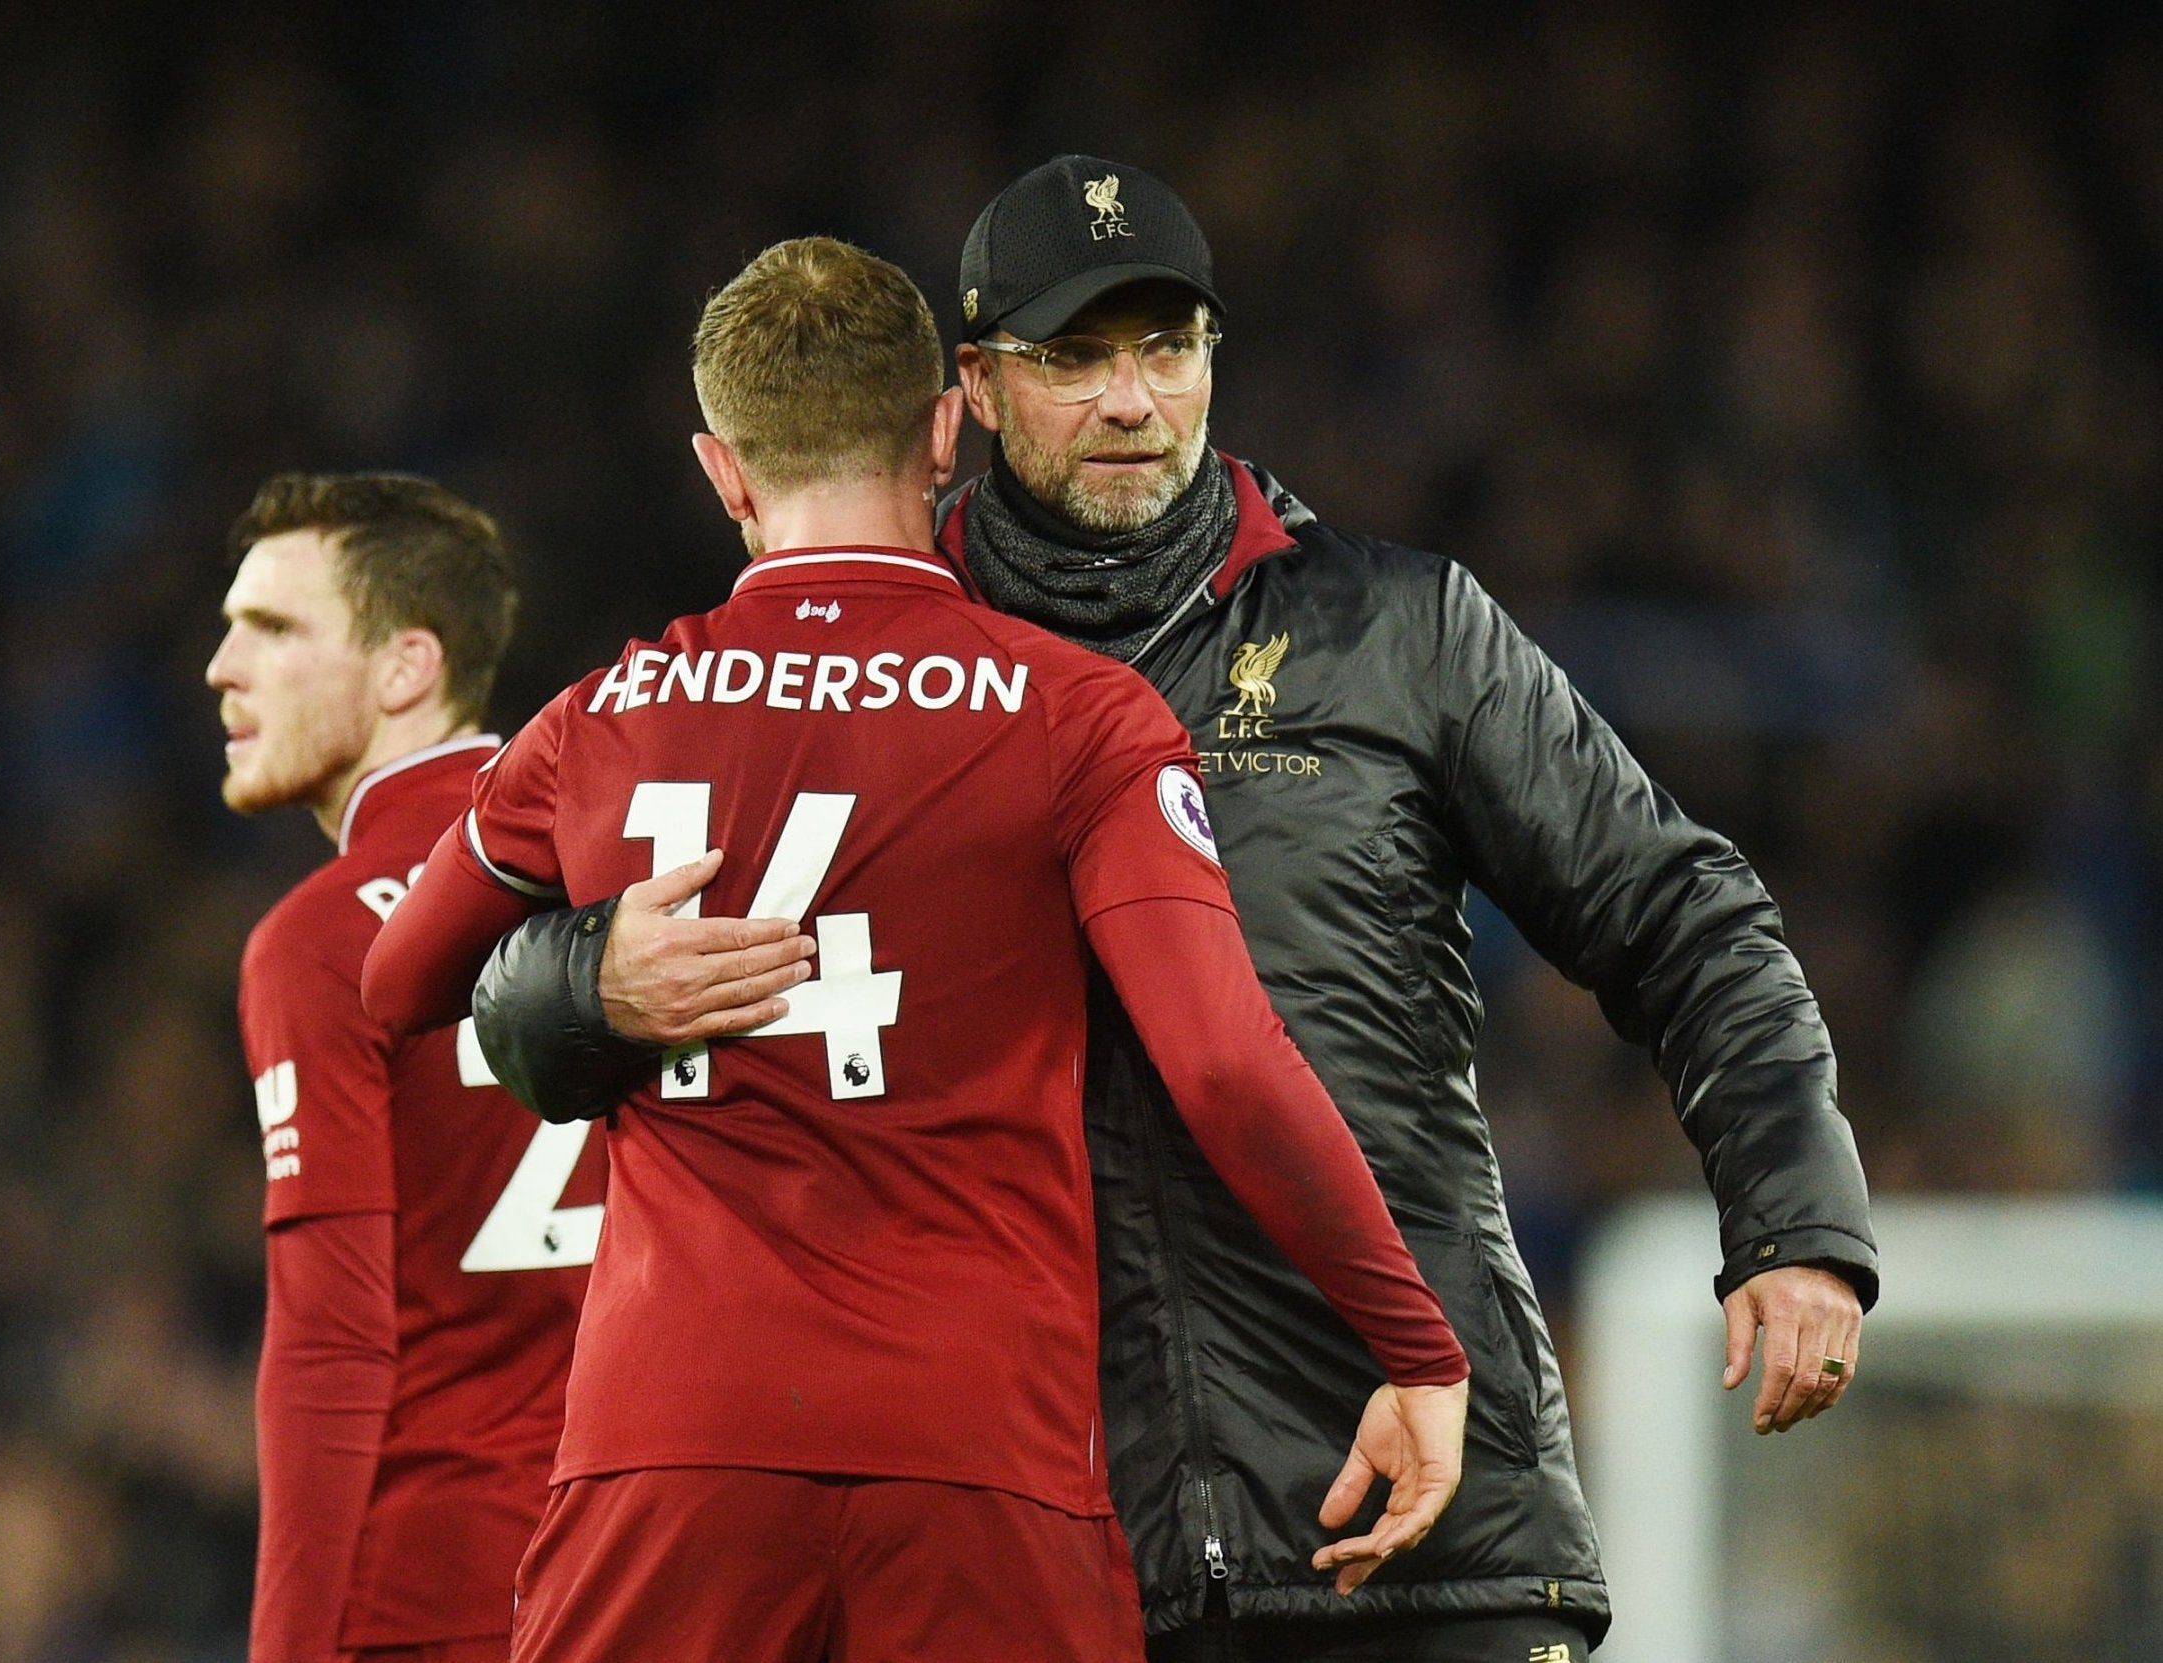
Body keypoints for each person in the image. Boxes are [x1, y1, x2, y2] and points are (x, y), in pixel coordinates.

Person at [471, 161, 1880, 1663]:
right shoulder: (850, 670)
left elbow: (1680, 908)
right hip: (1039, 1540)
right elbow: (503, 981)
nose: (1131, 399)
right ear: (975, 392)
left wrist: (1794, 1215)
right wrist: (583, 985)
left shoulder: (1396, 631)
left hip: (1418, 1514)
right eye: (1074, 358)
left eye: (1165, 346)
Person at [361, 236, 1473, 1663]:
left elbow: (395, 983)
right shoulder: (1079, 716)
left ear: (723, 467)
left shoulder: (605, 714)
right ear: (948, 427)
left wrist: (587, 974)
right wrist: (1415, 1342)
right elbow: (1225, 1065)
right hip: (981, 1451)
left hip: (666, 1442)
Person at [207, 474, 625, 1663]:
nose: (220, 667)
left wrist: (290, 1646)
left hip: (433, 1592)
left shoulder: (326, 935)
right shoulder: (627, 874)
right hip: (652, 1568)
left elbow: (331, 1341)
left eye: (273, 630)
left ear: (404, 670)